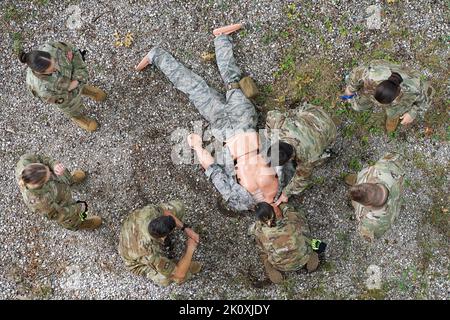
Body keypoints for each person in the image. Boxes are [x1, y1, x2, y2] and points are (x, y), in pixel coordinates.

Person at [136, 23, 282, 214]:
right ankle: (220, 38)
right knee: (231, 83)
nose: (278, 217)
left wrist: (196, 146)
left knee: (201, 89)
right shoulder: (283, 185)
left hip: (226, 132)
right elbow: (282, 149)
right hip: (244, 122)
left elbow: (214, 171)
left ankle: (157, 56)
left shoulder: (242, 201)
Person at [20, 41, 107, 132]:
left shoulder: (52, 47)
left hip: (73, 80)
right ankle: (78, 118)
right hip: (67, 98)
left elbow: (74, 51)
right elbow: (64, 102)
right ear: (42, 73)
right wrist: (70, 88)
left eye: (55, 61)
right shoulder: (43, 89)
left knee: (82, 87)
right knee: (73, 109)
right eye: (52, 69)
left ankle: (87, 91)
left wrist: (78, 79)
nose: (57, 67)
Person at [118, 200, 201, 286]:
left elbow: (166, 212)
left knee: (179, 206)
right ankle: (185, 266)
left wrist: (186, 229)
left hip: (131, 231)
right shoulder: (149, 253)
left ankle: (183, 264)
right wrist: (190, 248)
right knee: (167, 279)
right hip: (134, 259)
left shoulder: (148, 213)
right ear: (162, 237)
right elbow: (179, 274)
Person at [266, 102, 337, 199]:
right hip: (312, 113)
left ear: (290, 159)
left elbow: (302, 180)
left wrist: (285, 193)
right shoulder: (279, 125)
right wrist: (269, 134)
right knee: (293, 115)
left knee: (320, 160)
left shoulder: (308, 158)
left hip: (328, 128)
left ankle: (326, 153)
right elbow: (271, 114)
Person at [343, 59, 434, 133]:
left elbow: (428, 96)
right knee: (357, 106)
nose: (379, 105)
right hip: (371, 92)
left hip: (398, 103)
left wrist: (412, 113)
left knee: (393, 112)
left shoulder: (413, 87)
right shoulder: (372, 75)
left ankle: (392, 118)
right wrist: (351, 89)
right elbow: (357, 74)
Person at [15, 153, 102, 230]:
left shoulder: (25, 161)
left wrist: (54, 165)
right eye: (49, 175)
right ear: (43, 184)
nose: (51, 173)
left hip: (59, 186)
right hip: (60, 200)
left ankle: (70, 180)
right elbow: (59, 215)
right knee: (71, 220)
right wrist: (76, 208)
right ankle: (81, 224)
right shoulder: (40, 202)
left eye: (48, 169)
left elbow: (42, 158)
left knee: (61, 176)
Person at [248, 202, 326, 284]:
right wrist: (280, 205)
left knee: (263, 251)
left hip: (282, 266)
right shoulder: (291, 220)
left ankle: (270, 269)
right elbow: (294, 211)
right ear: (273, 211)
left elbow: (250, 231)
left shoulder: (260, 232)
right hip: (302, 258)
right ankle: (313, 257)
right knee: (307, 237)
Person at [345, 153, 404, 241]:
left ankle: (357, 180)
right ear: (373, 182)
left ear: (368, 206)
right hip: (396, 194)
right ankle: (357, 179)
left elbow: (369, 237)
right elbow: (396, 156)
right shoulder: (385, 166)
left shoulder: (370, 222)